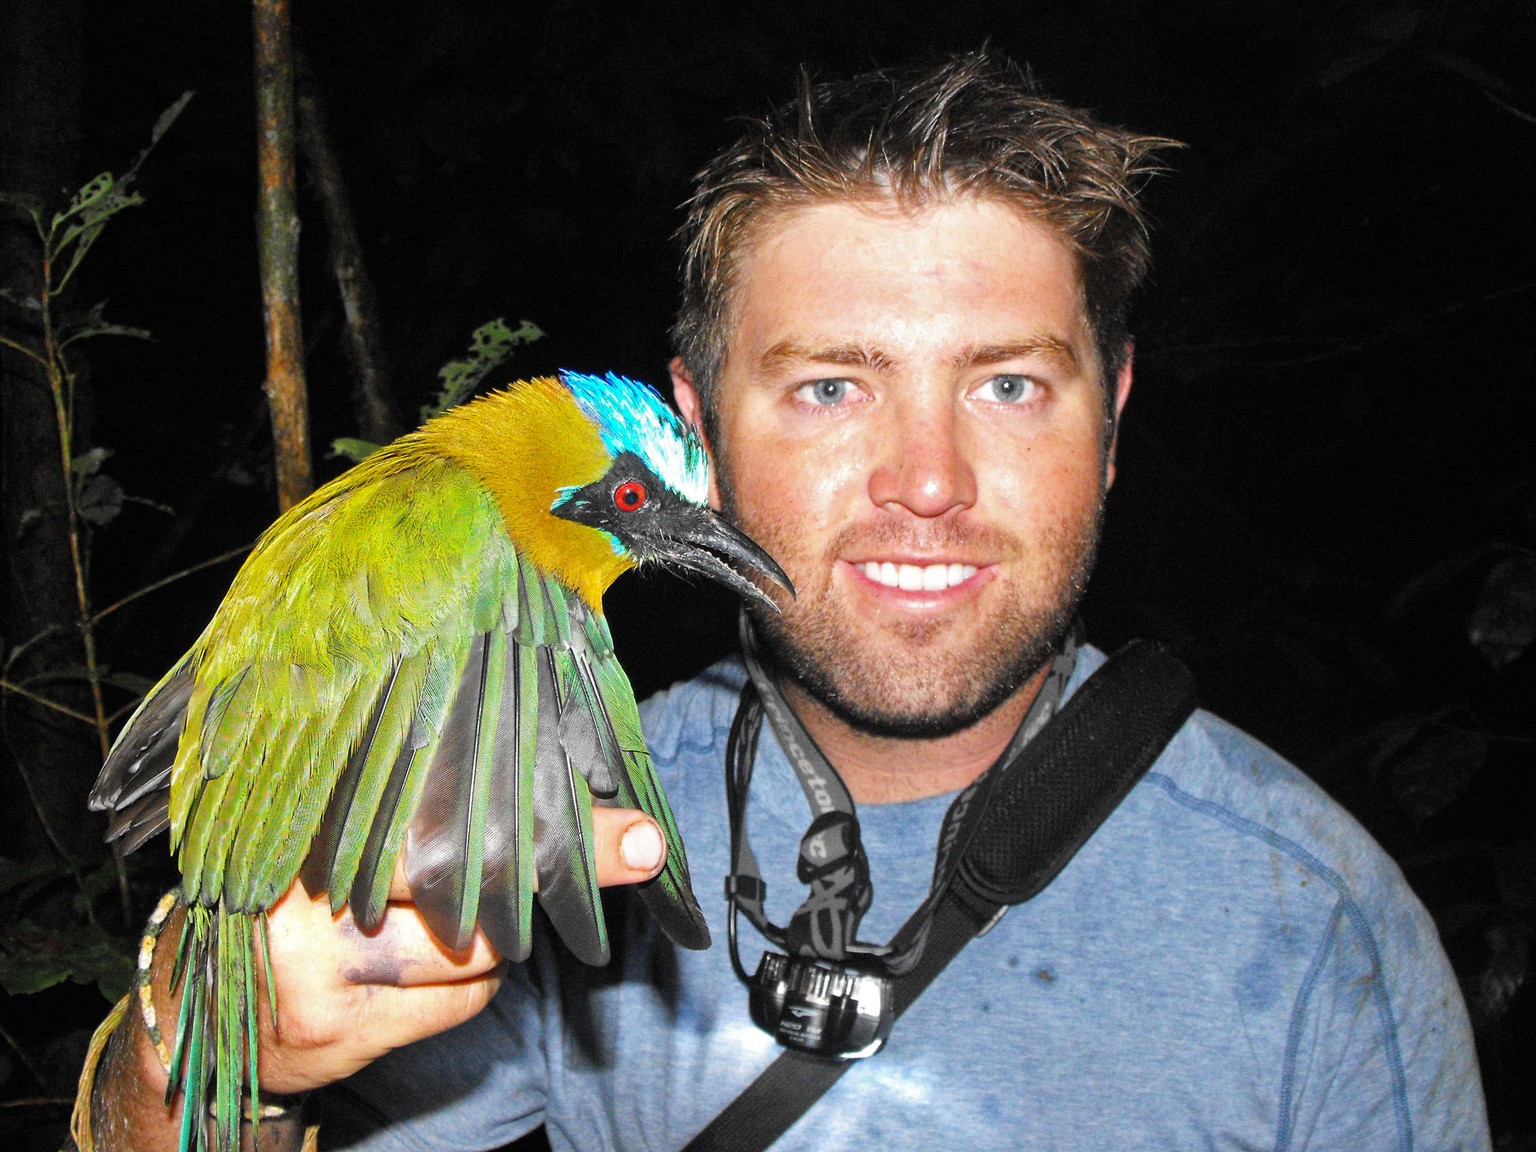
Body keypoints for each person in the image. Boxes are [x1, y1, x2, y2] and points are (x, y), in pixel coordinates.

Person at [82, 52, 1488, 1151]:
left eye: (1007, 384)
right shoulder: (550, 799)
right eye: (830, 388)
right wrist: (183, 1049)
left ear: (1113, 421)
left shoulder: (1319, 929)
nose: (924, 481)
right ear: (701, 431)